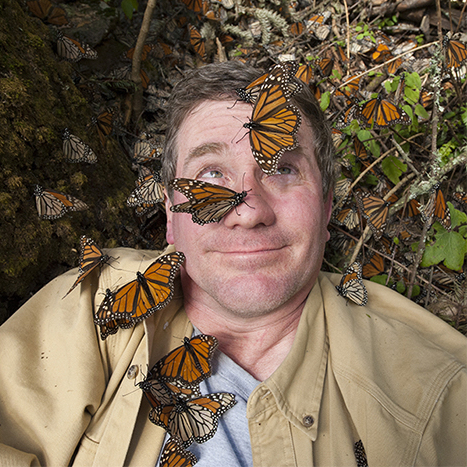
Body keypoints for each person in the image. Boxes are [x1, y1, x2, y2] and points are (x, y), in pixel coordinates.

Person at [0, 61, 465, 467]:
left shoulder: (436, 392)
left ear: (326, 211)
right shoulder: (93, 304)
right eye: (211, 175)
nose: (249, 209)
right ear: (170, 215)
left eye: (282, 168)